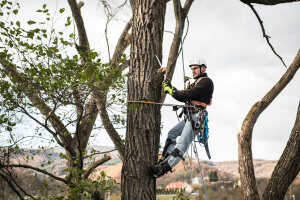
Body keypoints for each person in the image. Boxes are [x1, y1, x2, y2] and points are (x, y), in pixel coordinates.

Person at [149, 57, 214, 178]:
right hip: (190, 116)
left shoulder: (206, 82)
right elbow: (184, 97)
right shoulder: (196, 83)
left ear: (203, 68)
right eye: (192, 69)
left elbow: (190, 94)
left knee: (181, 146)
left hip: (196, 118)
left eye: (195, 68)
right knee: (172, 134)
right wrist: (172, 89)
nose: (193, 71)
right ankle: (164, 160)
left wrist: (172, 91)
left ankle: (161, 170)